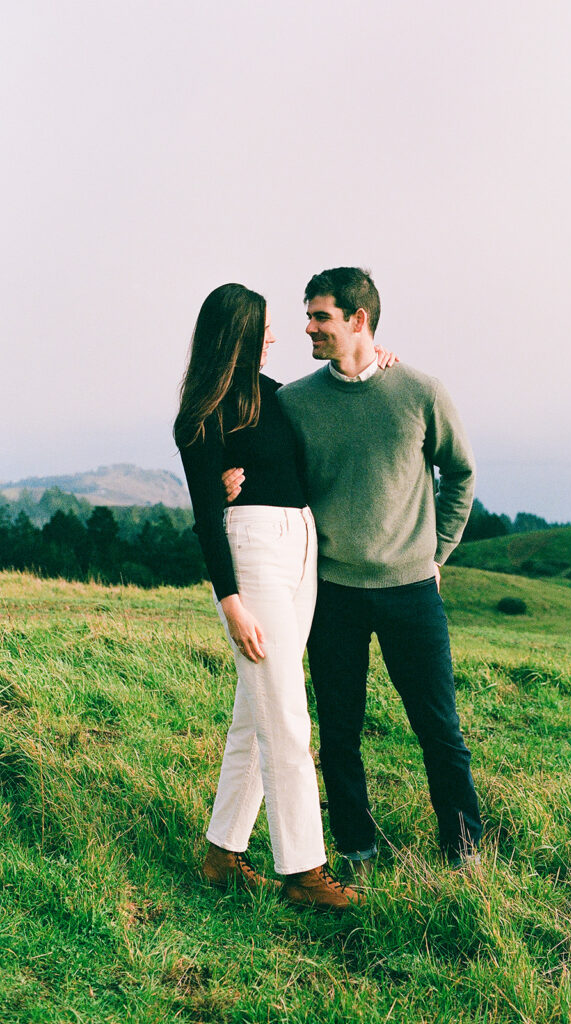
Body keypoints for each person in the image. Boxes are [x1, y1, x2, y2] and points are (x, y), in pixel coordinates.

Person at [225, 267, 482, 876]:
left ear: (358, 320)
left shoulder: (419, 391)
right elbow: (253, 458)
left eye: (320, 317)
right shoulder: (294, 402)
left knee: (438, 726)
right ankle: (355, 848)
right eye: (308, 315)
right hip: (331, 591)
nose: (307, 327)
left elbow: (461, 474)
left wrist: (436, 554)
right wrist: (220, 483)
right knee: (339, 732)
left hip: (411, 591)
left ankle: (466, 848)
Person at [175, 283, 368, 910]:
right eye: (264, 330)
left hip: (301, 545)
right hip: (251, 550)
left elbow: (340, 401)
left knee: (256, 713)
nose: (276, 338)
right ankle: (303, 870)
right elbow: (207, 515)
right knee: (285, 711)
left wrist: (374, 359)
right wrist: (229, 602)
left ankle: (221, 855)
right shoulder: (202, 414)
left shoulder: (280, 396)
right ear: (237, 334)